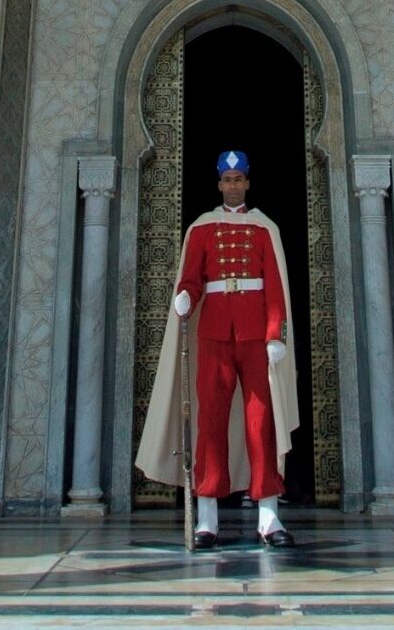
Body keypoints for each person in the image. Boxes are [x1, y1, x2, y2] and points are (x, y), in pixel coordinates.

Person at [135, 149, 299, 548]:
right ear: (219, 184)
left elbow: (275, 286)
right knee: (210, 422)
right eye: (227, 180)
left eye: (238, 179)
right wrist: (185, 296)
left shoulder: (264, 228)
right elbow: (191, 278)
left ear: (247, 182)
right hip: (213, 335)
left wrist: (275, 334)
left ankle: (269, 517)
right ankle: (207, 518)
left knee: (261, 423)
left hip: (255, 336)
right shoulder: (202, 228)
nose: (233, 185)